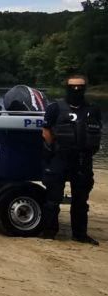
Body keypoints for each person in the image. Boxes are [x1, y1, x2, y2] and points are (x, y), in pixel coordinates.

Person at [40, 74, 102, 245]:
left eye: (80, 87)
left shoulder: (93, 109)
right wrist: (53, 149)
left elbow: (96, 133)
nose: (76, 90)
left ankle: (80, 234)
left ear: (85, 88)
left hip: (83, 160)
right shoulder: (55, 108)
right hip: (60, 157)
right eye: (73, 87)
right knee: (53, 199)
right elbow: (46, 132)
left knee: (81, 201)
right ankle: (49, 232)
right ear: (67, 87)